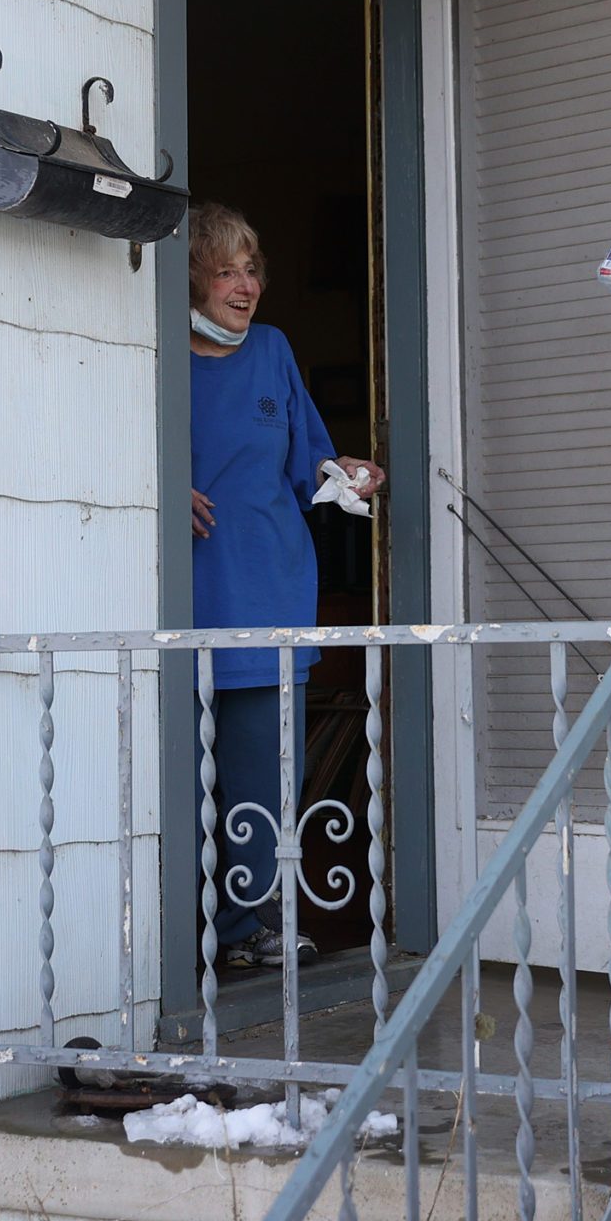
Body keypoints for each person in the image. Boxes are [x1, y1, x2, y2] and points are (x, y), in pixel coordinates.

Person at [186, 202, 385, 971]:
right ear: (195, 279)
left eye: (252, 270)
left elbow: (314, 466)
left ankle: (243, 927)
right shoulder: (152, 354)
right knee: (181, 778)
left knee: (267, 777)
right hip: (191, 594)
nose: (246, 285)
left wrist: (353, 475)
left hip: (272, 587)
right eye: (227, 270)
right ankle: (178, 939)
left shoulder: (271, 351)